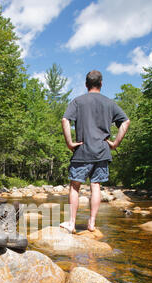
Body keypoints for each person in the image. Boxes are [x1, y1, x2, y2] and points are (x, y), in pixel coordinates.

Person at [60, 70, 130, 233]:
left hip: (82, 150)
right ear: (101, 84)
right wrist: (115, 144)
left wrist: (69, 143)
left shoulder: (78, 101)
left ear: (86, 84)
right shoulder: (109, 103)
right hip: (102, 151)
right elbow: (126, 122)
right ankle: (91, 223)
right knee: (96, 185)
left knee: (75, 186)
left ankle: (72, 223)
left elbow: (65, 119)